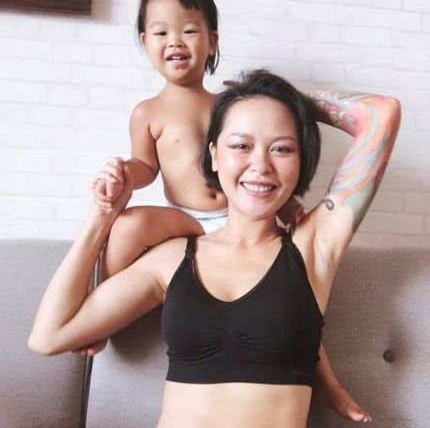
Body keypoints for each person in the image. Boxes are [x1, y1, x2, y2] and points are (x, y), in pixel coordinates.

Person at [28, 69, 400, 427]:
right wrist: (102, 217)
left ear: (301, 161)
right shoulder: (172, 259)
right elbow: (50, 336)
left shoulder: (313, 248)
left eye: (282, 148)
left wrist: (291, 98)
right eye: (240, 145)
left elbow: (380, 114)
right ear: (215, 155)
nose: (260, 165)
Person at [87, 0, 369, 421]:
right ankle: (101, 316)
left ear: (213, 41)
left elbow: (259, 163)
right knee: (127, 224)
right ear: (145, 43)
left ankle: (328, 383)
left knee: (287, 300)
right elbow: (146, 165)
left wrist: (289, 102)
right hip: (185, 218)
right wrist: (127, 173)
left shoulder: (229, 105)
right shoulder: (147, 112)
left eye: (189, 30)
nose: (175, 41)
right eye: (161, 33)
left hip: (238, 218)